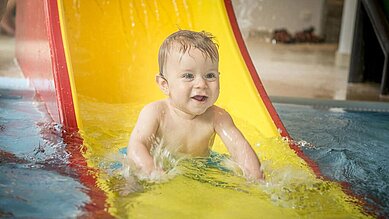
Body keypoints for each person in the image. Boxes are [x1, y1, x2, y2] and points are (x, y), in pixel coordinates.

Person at [127, 30, 263, 182]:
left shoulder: (217, 117)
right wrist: (153, 172)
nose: (201, 84)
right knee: (129, 183)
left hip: (199, 169)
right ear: (165, 84)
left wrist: (256, 179)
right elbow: (137, 146)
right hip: (158, 168)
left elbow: (240, 149)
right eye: (188, 76)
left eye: (210, 75)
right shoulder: (156, 113)